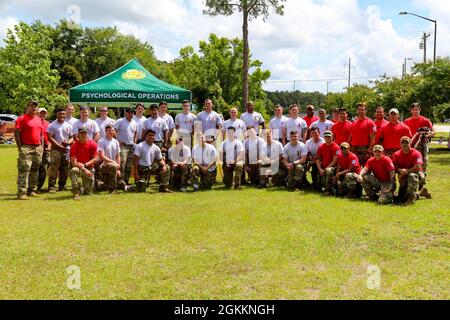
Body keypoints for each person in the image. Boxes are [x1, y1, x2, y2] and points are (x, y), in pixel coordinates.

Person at [15, 100, 44, 200]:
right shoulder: (21, 119)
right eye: (31, 106)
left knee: (35, 170)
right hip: (26, 147)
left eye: (35, 107)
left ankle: (31, 190)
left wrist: (41, 147)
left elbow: (41, 135)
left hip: (37, 148)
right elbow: (17, 133)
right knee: (24, 169)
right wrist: (20, 148)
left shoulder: (39, 119)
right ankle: (21, 192)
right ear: (27, 107)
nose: (33, 108)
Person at [392, 136, 431, 205]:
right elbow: (395, 167)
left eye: (406, 143)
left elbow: (418, 167)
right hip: (403, 176)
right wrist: (400, 170)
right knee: (401, 198)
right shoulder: (396, 154)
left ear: (410, 143)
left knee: (411, 176)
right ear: (400, 144)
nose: (404, 144)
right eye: (402, 143)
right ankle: (421, 192)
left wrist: (406, 171)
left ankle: (411, 198)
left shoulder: (416, 153)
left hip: (417, 174)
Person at [47, 108, 73, 193]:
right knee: (54, 168)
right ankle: (52, 187)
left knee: (65, 168)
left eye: (63, 114)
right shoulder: (52, 125)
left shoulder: (68, 125)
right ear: (57, 115)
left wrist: (68, 143)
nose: (62, 116)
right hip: (56, 150)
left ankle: (62, 186)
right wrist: (59, 146)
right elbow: (50, 137)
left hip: (65, 150)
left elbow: (72, 137)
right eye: (60, 114)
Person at [69, 126, 99, 200]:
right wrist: (83, 168)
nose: (83, 135)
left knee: (88, 193)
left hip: (89, 169)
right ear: (78, 135)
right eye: (81, 133)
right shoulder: (74, 145)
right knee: (73, 170)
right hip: (79, 168)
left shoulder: (93, 144)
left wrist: (86, 165)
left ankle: (82, 188)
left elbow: (96, 158)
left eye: (84, 133)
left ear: (87, 134)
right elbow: (73, 162)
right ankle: (76, 192)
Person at [404, 102, 435, 171]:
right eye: (413, 110)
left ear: (419, 110)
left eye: (416, 109)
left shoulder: (425, 120)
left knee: (423, 163)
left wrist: (427, 135)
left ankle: (422, 177)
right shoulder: (406, 121)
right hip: (410, 145)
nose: (415, 111)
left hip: (422, 146)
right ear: (411, 110)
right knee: (410, 163)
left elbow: (433, 132)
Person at [114, 108, 137, 187]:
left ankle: (126, 181)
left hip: (131, 146)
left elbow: (135, 132)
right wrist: (118, 141)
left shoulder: (134, 122)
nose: (131, 115)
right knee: (122, 163)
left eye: (132, 113)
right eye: (129, 113)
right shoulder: (120, 121)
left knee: (129, 165)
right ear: (126, 113)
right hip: (123, 146)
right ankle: (120, 181)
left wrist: (135, 141)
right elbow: (113, 130)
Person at [97, 125, 121, 193]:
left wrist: (118, 168)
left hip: (114, 165)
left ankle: (105, 185)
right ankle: (112, 189)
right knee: (113, 166)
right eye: (109, 130)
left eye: (112, 130)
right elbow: (101, 156)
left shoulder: (116, 142)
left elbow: (118, 156)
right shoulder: (101, 141)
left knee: (122, 185)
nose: (111, 132)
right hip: (103, 164)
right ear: (105, 131)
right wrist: (113, 162)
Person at [315, 131, 340, 195]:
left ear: (332, 137)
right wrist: (320, 168)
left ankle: (329, 190)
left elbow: (335, 161)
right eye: (326, 137)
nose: (327, 138)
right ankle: (318, 185)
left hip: (333, 167)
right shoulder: (321, 146)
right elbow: (317, 159)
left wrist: (326, 168)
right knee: (316, 167)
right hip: (323, 166)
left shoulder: (336, 147)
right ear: (324, 137)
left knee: (328, 171)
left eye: (329, 137)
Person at [37, 107, 50, 193]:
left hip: (46, 148)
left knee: (44, 168)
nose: (42, 115)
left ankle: (39, 187)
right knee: (35, 168)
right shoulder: (35, 122)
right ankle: (32, 187)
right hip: (36, 147)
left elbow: (50, 136)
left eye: (44, 113)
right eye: (40, 113)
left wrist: (49, 145)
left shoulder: (48, 124)